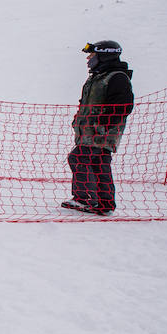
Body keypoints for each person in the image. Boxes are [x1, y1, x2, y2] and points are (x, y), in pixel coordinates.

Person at [63, 41, 134, 215]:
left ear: (104, 56)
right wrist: (78, 120)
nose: (88, 59)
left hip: (101, 133)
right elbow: (86, 102)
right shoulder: (97, 77)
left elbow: (123, 106)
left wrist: (102, 124)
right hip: (89, 132)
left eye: (92, 56)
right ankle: (104, 204)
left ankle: (86, 198)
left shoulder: (117, 77)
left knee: (78, 158)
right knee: (99, 164)